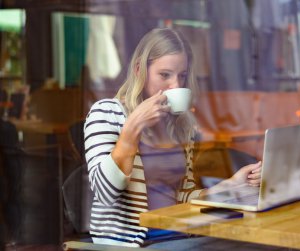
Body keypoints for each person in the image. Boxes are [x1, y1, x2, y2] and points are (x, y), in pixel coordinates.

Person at [84, 27, 261, 249]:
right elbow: (105, 192)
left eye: (182, 75)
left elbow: (183, 197)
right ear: (140, 70)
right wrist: (131, 131)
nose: (175, 85)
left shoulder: (178, 125)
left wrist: (231, 186)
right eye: (165, 75)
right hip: (134, 242)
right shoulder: (107, 113)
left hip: (178, 233)